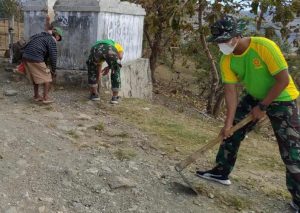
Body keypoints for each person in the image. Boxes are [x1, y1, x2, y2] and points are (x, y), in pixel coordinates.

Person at [196, 15, 300, 212]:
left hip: (283, 98)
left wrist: (263, 107)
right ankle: (220, 172)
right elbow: (230, 91)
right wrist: (228, 124)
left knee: (291, 151)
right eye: (218, 42)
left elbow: (283, 80)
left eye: (224, 40)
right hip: (255, 95)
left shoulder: (264, 46)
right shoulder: (226, 58)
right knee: (231, 132)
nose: (221, 45)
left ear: (237, 35)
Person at [22, 26, 63, 104]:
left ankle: (36, 96)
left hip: (26, 56)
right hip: (35, 57)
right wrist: (53, 71)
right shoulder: (51, 40)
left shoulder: (41, 36)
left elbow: (42, 52)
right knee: (47, 78)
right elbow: (53, 57)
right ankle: (45, 98)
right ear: (57, 35)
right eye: (59, 38)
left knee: (35, 77)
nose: (58, 40)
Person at [86, 39, 124, 104]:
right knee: (115, 69)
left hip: (95, 50)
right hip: (109, 49)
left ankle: (94, 94)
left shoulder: (97, 44)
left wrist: (108, 68)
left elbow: (98, 70)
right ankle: (115, 97)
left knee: (92, 69)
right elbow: (120, 56)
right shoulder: (117, 45)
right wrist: (111, 67)